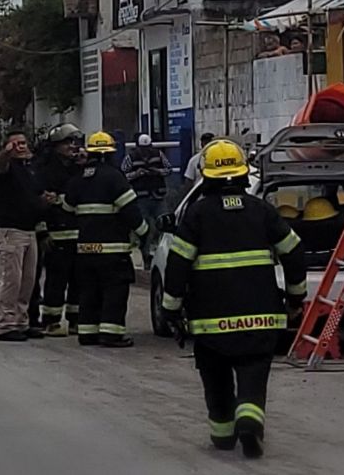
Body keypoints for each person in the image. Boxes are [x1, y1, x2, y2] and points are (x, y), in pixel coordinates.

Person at [162, 139, 306, 459]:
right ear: (242, 175)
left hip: (210, 322)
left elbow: (177, 265)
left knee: (215, 376)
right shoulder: (262, 211)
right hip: (261, 317)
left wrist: (170, 309)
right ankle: (250, 421)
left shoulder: (196, 215)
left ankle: (223, 434)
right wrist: (296, 299)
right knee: (254, 370)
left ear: (206, 176)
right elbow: (294, 253)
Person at [64, 132, 148, 348]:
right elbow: (132, 213)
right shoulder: (114, 177)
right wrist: (145, 232)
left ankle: (87, 333)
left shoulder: (79, 178)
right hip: (112, 251)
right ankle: (111, 334)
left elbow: (67, 208)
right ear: (110, 153)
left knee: (88, 291)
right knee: (114, 291)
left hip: (84, 250)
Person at [0, 130, 51, 342]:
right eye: (15, 144)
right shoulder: (7, 168)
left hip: (29, 229)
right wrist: (5, 153)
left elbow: (34, 197)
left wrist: (45, 200)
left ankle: (21, 321)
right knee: (13, 280)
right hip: (11, 230)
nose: (21, 147)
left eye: (23, 143)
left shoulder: (30, 171)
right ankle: (6, 325)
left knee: (29, 280)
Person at [36, 123, 84, 337]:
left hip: (78, 233)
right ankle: (51, 321)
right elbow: (38, 205)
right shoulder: (45, 170)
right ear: (55, 146)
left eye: (75, 142)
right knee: (56, 281)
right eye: (67, 143)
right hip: (56, 234)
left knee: (78, 280)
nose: (72, 147)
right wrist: (42, 232)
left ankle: (75, 320)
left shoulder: (79, 168)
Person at [121, 133, 171, 270]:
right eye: (142, 149)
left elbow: (168, 169)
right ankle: (146, 255)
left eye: (147, 148)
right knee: (145, 229)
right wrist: (136, 174)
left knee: (165, 225)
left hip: (158, 196)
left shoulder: (159, 154)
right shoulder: (131, 158)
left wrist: (157, 171)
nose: (145, 151)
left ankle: (163, 254)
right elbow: (123, 174)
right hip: (141, 198)